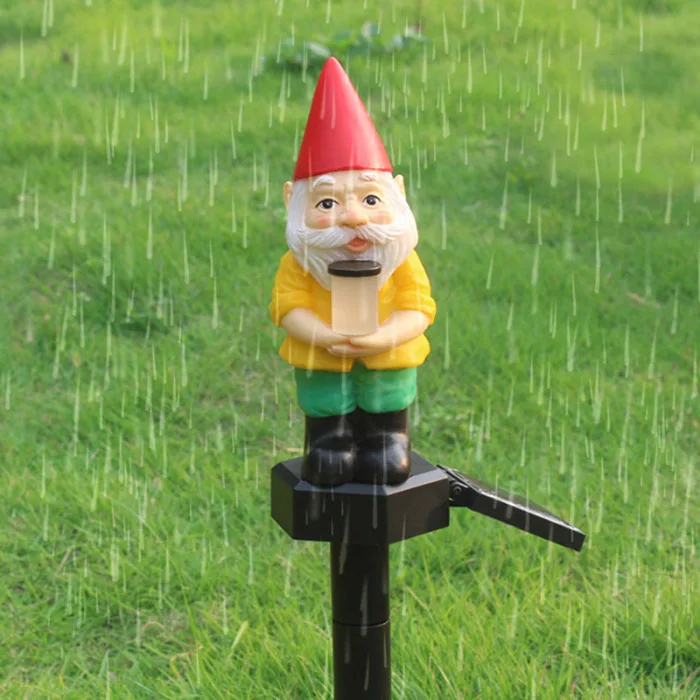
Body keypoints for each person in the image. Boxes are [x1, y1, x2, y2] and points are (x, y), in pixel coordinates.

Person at [269, 57, 436, 487]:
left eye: (370, 199)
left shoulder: (402, 260)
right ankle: (328, 442)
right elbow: (288, 308)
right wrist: (322, 335)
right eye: (327, 203)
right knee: (326, 402)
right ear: (292, 202)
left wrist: (385, 336)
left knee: (387, 397)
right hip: (322, 358)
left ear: (398, 194)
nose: (353, 218)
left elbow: (418, 307)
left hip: (387, 358)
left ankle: (387, 438)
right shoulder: (299, 263)